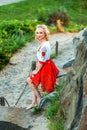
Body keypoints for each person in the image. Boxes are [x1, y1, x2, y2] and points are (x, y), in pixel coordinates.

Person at [27, 24, 60, 109]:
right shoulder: (43, 43)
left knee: (30, 80)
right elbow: (41, 59)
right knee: (32, 81)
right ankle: (34, 102)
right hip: (45, 64)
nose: (38, 35)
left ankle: (39, 99)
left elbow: (42, 61)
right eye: (37, 33)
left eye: (41, 33)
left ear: (45, 33)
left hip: (45, 67)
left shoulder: (44, 45)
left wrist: (36, 70)